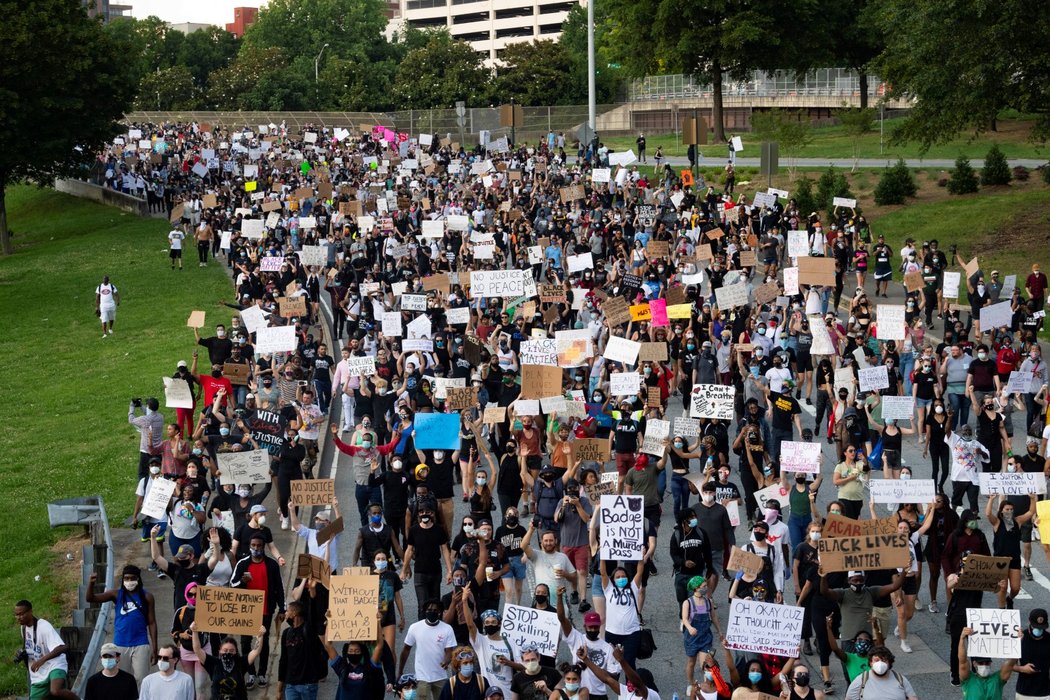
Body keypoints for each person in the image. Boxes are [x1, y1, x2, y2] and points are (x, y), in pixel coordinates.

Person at [230, 532, 286, 688]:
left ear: (263, 547)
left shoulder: (272, 565)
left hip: (266, 610)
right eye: (253, 545)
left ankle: (262, 673)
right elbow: (232, 585)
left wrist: (282, 608)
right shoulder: (242, 564)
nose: (256, 548)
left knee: (264, 642)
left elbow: (280, 588)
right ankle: (251, 673)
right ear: (249, 546)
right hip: (246, 612)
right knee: (246, 643)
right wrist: (242, 581)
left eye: (259, 546)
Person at [85, 565, 158, 685]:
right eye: (126, 578)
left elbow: (152, 622)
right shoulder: (116, 594)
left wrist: (155, 648)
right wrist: (91, 583)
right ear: (123, 580)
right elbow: (91, 598)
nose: (129, 581)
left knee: (142, 679)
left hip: (141, 643)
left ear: (138, 579)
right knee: (122, 680)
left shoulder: (147, 597)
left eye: (132, 578)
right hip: (120, 644)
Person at [15, 600, 78, 700]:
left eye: (22, 614)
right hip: (39, 673)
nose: (19, 617)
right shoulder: (23, 628)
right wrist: (22, 654)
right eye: (17, 615)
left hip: (55, 664)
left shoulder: (43, 626)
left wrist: (41, 660)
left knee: (55, 691)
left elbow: (62, 647)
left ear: (30, 612)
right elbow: (31, 647)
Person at [190, 621, 265, 700]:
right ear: (219, 651)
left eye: (231, 651)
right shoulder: (213, 663)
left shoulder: (241, 662)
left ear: (236, 651)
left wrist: (260, 637)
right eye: (225, 650)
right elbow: (197, 650)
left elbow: (256, 651)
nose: (228, 653)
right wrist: (194, 632)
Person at [399, 599, 457, 700]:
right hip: (422, 677)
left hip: (440, 676)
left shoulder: (447, 629)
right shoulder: (415, 627)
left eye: (435, 610)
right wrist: (400, 671)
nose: (432, 612)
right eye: (429, 610)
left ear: (439, 612)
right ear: (425, 611)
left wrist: (447, 661)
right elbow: (406, 650)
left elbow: (449, 651)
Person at [322, 615, 387, 700]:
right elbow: (328, 645)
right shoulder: (342, 668)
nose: (353, 653)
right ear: (346, 654)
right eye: (351, 651)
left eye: (357, 651)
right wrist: (329, 621)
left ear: (362, 653)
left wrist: (378, 622)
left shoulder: (368, 668)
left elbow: (379, 646)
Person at [276, 601, 326, 700]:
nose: (285, 613)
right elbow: (283, 661)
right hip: (290, 685)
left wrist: (312, 592)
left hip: (308, 685)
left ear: (294, 613)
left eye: (287, 611)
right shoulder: (286, 633)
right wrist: (279, 689)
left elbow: (313, 613)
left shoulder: (308, 630)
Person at [958, 627, 1014, 700]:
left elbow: (1010, 663)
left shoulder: (997, 679)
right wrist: (962, 638)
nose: (984, 665)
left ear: (990, 663)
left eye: (987, 663)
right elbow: (962, 661)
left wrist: (1017, 641)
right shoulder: (969, 679)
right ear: (974, 664)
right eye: (981, 663)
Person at [843, 646, 917, 700]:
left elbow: (913, 698)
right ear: (871, 663)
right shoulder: (861, 679)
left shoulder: (900, 679)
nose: (880, 663)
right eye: (876, 660)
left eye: (884, 660)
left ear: (889, 663)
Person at [1016, 608, 1050, 700]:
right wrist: (1022, 669)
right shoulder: (1020, 638)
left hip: (1046, 693)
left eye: (1041, 627)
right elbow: (1009, 665)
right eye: (1036, 627)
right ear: (1029, 621)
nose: (1039, 629)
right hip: (1024, 693)